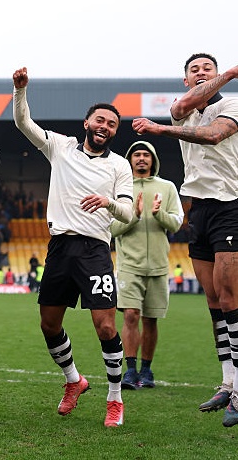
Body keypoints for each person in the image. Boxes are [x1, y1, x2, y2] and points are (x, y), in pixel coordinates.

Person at [13, 67, 134, 427]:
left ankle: (115, 400)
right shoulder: (61, 147)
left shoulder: (119, 166)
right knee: (49, 324)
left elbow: (127, 213)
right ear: (86, 123)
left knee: (105, 327)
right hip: (60, 249)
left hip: (95, 250)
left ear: (114, 131)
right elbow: (23, 123)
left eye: (111, 124)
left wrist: (108, 202)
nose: (105, 127)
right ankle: (74, 381)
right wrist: (20, 91)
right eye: (100, 120)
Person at [132, 53, 238, 424]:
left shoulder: (233, 102)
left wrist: (228, 74)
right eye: (194, 69)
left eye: (207, 68)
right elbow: (181, 107)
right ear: (185, 80)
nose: (201, 72)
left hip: (231, 205)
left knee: (230, 298)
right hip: (201, 211)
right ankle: (227, 383)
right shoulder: (182, 108)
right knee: (213, 301)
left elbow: (214, 135)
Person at [110, 141, 183, 390]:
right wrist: (136, 215)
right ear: (130, 159)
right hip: (129, 264)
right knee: (131, 315)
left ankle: (147, 371)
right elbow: (113, 228)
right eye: (137, 155)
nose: (141, 158)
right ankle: (130, 372)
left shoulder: (167, 187)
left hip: (159, 266)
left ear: (153, 160)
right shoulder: (121, 187)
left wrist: (158, 213)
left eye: (146, 155)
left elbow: (176, 224)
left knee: (151, 320)